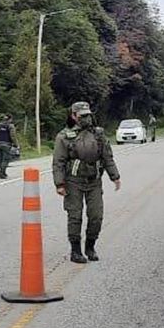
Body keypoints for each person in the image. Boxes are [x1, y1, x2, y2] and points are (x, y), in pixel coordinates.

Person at [53, 102, 121, 264]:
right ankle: (75, 251)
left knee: (96, 216)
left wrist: (115, 176)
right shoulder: (64, 136)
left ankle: (90, 247)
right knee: (75, 216)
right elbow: (58, 162)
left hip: (94, 181)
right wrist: (59, 184)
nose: (86, 118)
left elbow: (107, 157)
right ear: (73, 116)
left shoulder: (98, 134)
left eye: (88, 115)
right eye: (82, 116)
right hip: (73, 182)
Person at [0, 114, 17, 179]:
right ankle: (1, 174)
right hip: (6, 144)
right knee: (5, 160)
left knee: (1, 160)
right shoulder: (10, 126)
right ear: (10, 119)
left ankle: (3, 173)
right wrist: (15, 144)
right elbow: (13, 136)